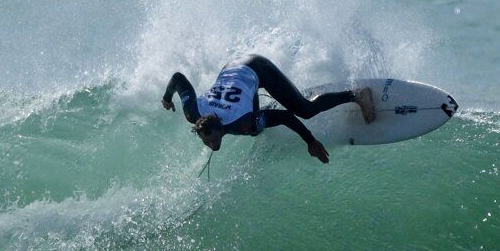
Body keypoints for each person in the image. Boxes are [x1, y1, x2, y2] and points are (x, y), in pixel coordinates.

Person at [161, 54, 376, 164]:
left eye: (214, 139)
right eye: (207, 142)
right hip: (232, 70)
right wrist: (167, 97)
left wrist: (310, 141)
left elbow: (285, 117)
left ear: (221, 127)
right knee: (256, 129)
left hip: (256, 68)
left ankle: (356, 95)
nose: (212, 145)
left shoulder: (242, 122)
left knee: (305, 110)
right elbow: (178, 79)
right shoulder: (193, 112)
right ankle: (264, 105)